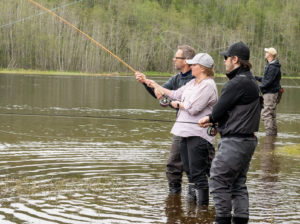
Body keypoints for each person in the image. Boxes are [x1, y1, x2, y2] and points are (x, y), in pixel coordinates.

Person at [198, 41, 261, 224]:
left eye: (226, 58)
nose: (224, 62)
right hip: (247, 140)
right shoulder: (252, 81)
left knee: (218, 181)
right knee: (237, 184)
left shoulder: (237, 83)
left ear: (235, 60)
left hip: (235, 142)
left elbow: (217, 111)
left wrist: (208, 119)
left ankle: (222, 220)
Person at [146, 53, 218, 206]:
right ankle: (193, 211)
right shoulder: (193, 83)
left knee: (198, 174)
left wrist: (177, 104)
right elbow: (174, 93)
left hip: (198, 135)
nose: (190, 67)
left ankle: (202, 211)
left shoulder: (208, 85)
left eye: (193, 65)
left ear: (203, 68)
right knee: (191, 174)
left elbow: (193, 108)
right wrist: (153, 84)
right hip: (183, 132)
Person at [135, 45, 196, 194]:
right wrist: (145, 83)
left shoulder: (196, 79)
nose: (174, 59)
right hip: (181, 127)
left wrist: (168, 99)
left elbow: (181, 100)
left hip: (197, 129)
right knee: (173, 165)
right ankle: (174, 198)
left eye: (177, 57)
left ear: (186, 61)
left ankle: (197, 199)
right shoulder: (176, 78)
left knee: (196, 167)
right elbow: (160, 93)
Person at [255, 47, 282, 136]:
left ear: (269, 55)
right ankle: (273, 137)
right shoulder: (271, 65)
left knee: (266, 114)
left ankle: (270, 136)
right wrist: (256, 78)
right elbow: (266, 79)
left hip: (270, 94)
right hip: (271, 93)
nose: (265, 53)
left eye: (266, 52)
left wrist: (258, 88)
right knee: (271, 114)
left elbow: (268, 81)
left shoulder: (273, 67)